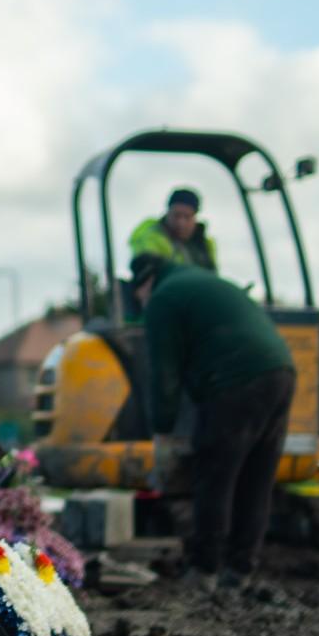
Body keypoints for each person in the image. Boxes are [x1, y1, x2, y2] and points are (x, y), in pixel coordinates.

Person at [130, 253, 294, 594]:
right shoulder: (201, 281)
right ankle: (240, 570)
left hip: (236, 381)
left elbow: (165, 374)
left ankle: (204, 570)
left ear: (146, 281)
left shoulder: (164, 298)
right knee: (257, 479)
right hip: (281, 373)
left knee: (215, 475)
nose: (140, 301)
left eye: (138, 293)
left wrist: (161, 429)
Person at [130, 187, 218, 271]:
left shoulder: (206, 245)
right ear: (168, 213)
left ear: (195, 217)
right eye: (176, 215)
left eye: (187, 217)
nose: (181, 223)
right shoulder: (150, 235)